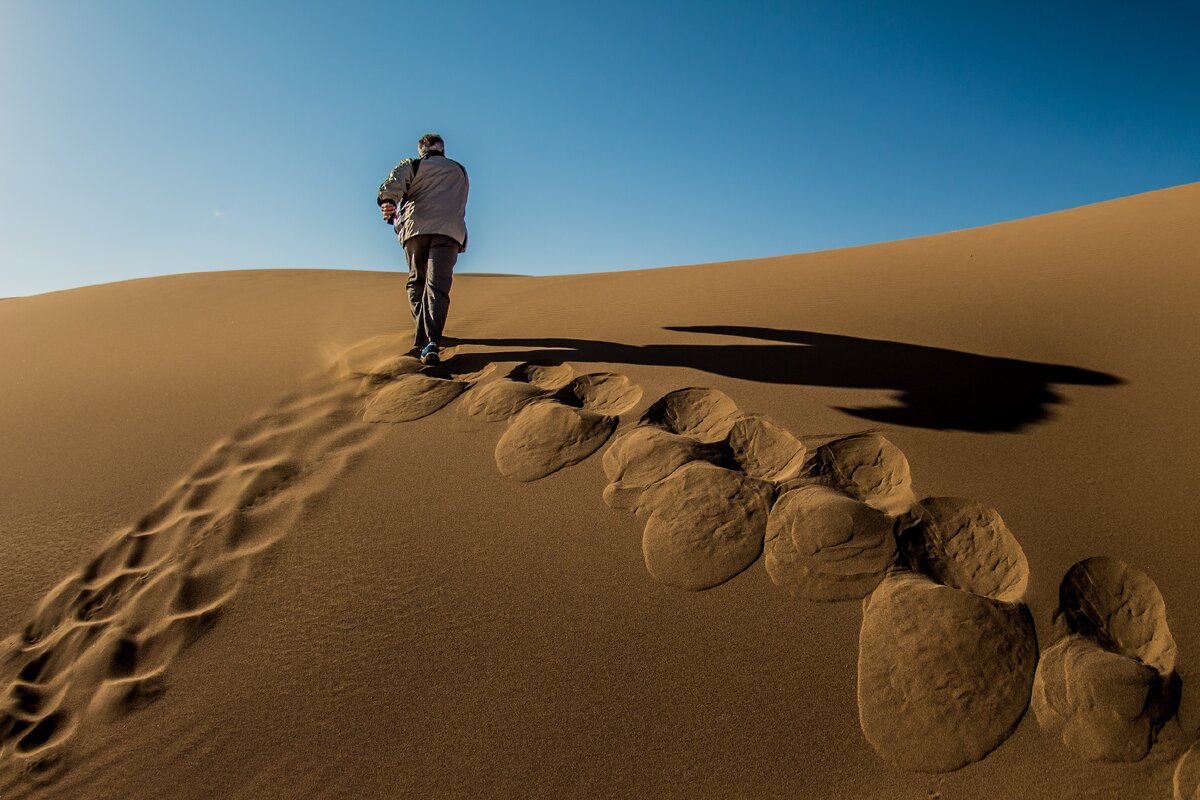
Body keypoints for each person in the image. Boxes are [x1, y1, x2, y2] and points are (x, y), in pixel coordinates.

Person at [377, 132, 469, 366]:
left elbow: (394, 184)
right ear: (443, 149)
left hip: (416, 230)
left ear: (422, 150)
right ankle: (432, 340)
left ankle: (424, 337)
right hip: (449, 233)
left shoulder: (413, 164)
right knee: (438, 288)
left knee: (417, 282)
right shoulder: (459, 170)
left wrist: (388, 201)